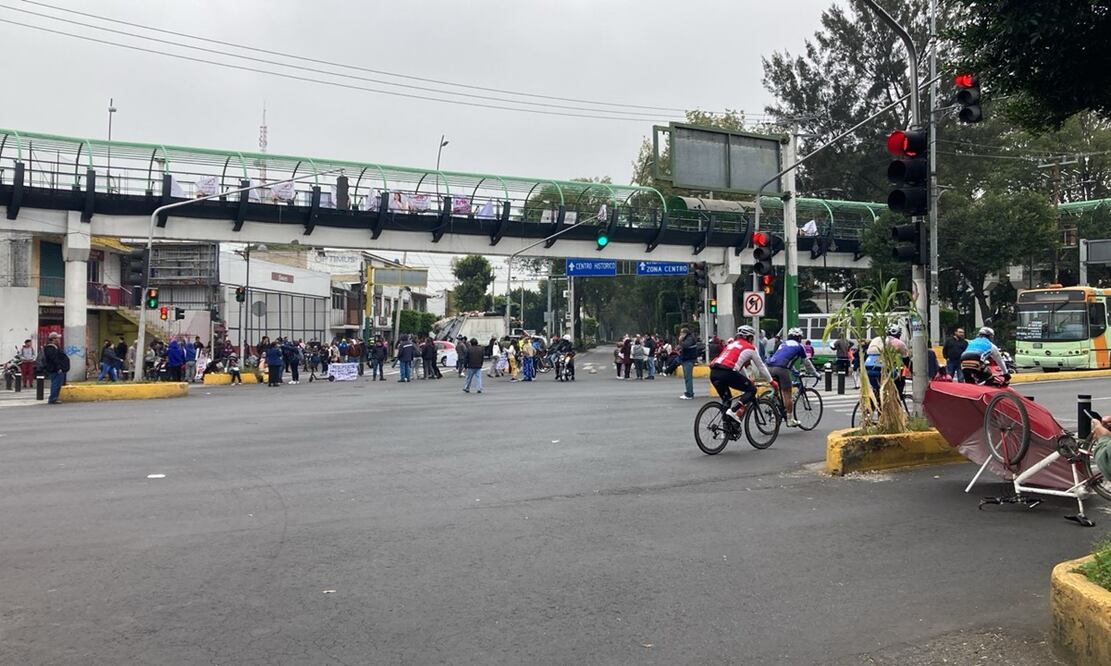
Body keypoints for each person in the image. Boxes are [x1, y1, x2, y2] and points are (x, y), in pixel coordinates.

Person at [709, 325, 772, 422]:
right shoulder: (750, 348)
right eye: (752, 338)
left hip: (714, 372)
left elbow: (741, 366)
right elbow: (761, 366)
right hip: (727, 372)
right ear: (749, 338)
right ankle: (734, 411)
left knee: (727, 400)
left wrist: (748, 378)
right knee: (751, 389)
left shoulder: (731, 345)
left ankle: (726, 429)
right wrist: (771, 381)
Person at [766, 327, 819, 427]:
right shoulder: (799, 346)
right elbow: (806, 362)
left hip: (769, 367)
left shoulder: (783, 344)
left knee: (777, 390)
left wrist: (794, 371)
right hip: (781, 369)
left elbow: (785, 359)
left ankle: (773, 408)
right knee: (787, 394)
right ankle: (790, 420)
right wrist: (816, 374)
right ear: (799, 338)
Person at [864, 324, 911, 396]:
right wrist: (913, 370)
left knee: (876, 388)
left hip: (868, 366)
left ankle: (877, 399)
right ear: (898, 334)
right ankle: (896, 398)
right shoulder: (898, 343)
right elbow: (906, 360)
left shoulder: (875, 339)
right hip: (883, 367)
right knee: (900, 380)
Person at [43, 332, 68, 404]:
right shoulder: (50, 348)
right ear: (53, 339)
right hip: (55, 369)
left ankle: (55, 397)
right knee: (56, 384)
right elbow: (54, 359)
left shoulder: (55, 347)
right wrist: (58, 368)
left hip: (56, 369)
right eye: (57, 338)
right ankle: (53, 398)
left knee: (58, 384)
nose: (59, 340)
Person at [678, 327, 700, 400]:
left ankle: (689, 393)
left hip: (689, 360)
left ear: (685, 333)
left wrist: (680, 340)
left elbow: (685, 345)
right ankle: (688, 392)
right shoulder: (689, 338)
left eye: (682, 333)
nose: (680, 334)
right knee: (687, 377)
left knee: (688, 377)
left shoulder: (689, 339)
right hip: (687, 359)